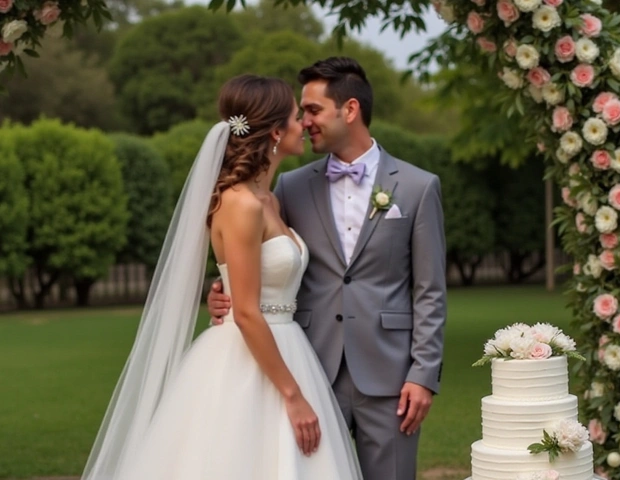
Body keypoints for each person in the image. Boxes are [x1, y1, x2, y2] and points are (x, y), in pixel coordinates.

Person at [81, 74, 362, 480]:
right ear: (274, 131)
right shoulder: (240, 204)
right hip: (247, 358)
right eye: (296, 117)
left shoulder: (270, 200)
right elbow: (246, 312)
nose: (305, 124)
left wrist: (224, 288)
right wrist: (294, 396)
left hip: (287, 347)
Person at [208, 57, 447, 480]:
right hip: (310, 367)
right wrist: (224, 291)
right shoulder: (289, 187)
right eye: (300, 113)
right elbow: (262, 263)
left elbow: (429, 289)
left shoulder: (417, 186)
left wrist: (424, 375)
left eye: (313, 110)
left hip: (390, 378)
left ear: (349, 110)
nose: (305, 121)